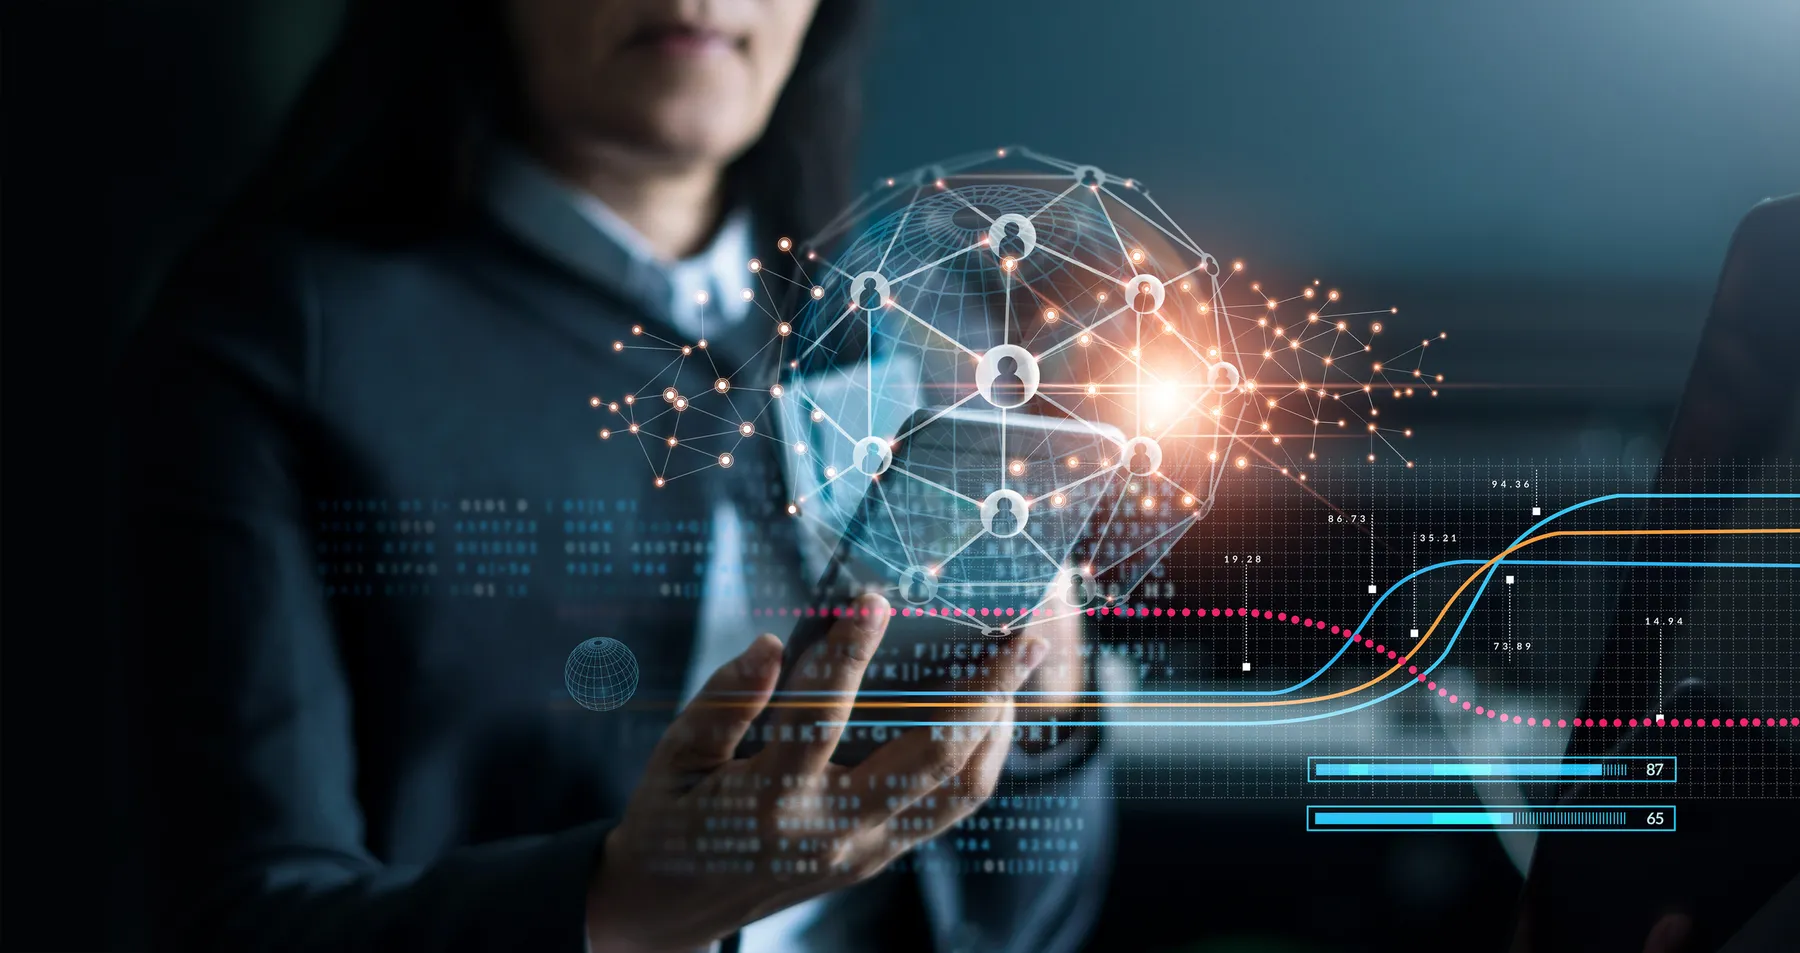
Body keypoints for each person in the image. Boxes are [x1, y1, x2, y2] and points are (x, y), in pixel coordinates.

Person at [118, 1, 1111, 952]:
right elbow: (243, 917)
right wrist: (627, 905)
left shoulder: (903, 332)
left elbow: (1015, 921)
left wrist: (1049, 719)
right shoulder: (283, 340)